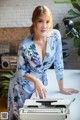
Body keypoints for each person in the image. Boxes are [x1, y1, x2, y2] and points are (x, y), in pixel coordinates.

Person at [8, 5, 79, 120]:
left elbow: (58, 62)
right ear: (34, 22)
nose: (44, 26)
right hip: (21, 88)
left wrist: (61, 88)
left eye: (47, 21)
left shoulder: (55, 36)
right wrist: (36, 80)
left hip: (40, 86)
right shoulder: (25, 45)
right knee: (21, 117)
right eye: (40, 21)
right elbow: (20, 71)